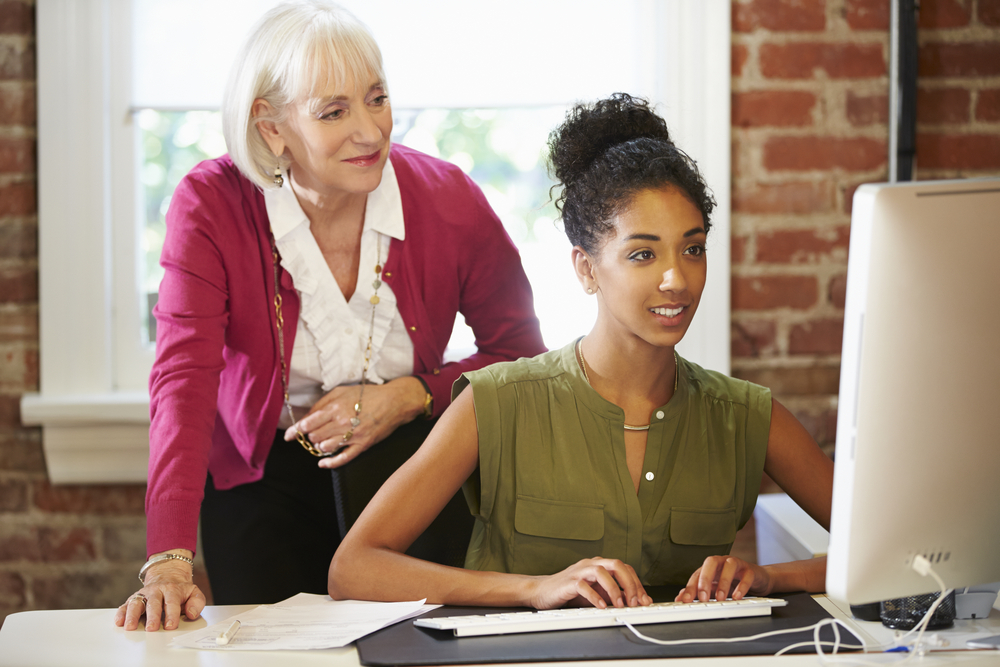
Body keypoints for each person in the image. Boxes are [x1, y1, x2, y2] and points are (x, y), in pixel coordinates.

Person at [114, 0, 544, 632]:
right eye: (334, 111)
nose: (371, 131)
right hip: (261, 481)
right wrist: (169, 560)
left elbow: (521, 357)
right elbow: (183, 381)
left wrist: (410, 395)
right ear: (271, 128)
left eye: (377, 98)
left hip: (412, 473)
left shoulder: (450, 199)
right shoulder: (210, 204)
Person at [328, 93, 834, 610]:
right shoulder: (496, 403)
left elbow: (905, 556)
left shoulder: (746, 416)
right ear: (586, 269)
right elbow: (355, 568)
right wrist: (534, 588)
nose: (676, 279)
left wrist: (770, 578)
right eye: (642, 254)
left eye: (693, 248)